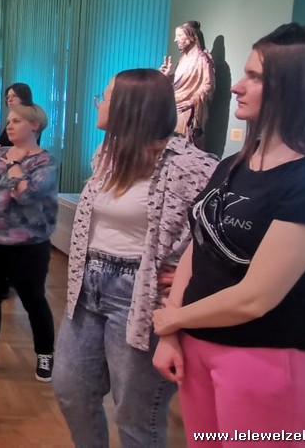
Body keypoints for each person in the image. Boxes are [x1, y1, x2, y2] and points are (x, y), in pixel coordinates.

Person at [152, 24, 305, 446]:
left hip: (266, 358)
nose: (237, 86)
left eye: (255, 77)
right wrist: (172, 332)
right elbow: (201, 246)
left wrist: (172, 319)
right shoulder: (234, 163)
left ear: (300, 88)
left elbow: (256, 296)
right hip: (198, 344)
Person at [52, 69, 217, 448]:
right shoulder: (107, 155)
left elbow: (209, 236)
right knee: (71, 390)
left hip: (140, 295)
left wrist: (188, 280)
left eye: (105, 97)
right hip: (89, 285)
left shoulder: (190, 166)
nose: (98, 103)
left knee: (136, 415)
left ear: (129, 107)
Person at [0, 104, 58, 381]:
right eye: (9, 121)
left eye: (17, 121)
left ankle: (45, 353)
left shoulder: (45, 161)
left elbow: (27, 195)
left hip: (28, 244)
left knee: (33, 299)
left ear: (35, 125)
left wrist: (15, 167)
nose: (9, 126)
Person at [158, 20, 214, 147]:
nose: (175, 40)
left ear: (191, 37)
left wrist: (192, 101)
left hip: (187, 112)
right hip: (174, 109)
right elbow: (178, 83)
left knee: (185, 148)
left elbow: (208, 85)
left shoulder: (203, 59)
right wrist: (167, 76)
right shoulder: (183, 60)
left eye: (179, 35)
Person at [0, 83, 34, 148]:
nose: (10, 100)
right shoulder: (11, 119)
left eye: (14, 96)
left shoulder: (30, 119)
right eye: (8, 97)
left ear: (24, 97)